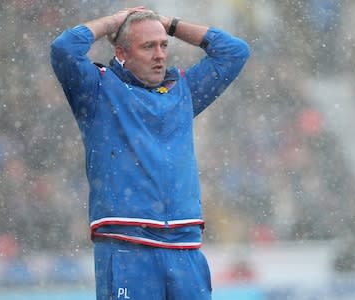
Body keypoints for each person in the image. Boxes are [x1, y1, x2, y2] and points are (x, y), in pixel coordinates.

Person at [50, 5, 249, 300]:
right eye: (148, 46)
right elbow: (64, 49)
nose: (160, 55)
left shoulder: (184, 90)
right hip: (128, 245)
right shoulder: (97, 89)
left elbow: (235, 51)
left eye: (163, 45)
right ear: (121, 53)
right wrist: (116, 20)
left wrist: (168, 24)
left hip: (184, 247)